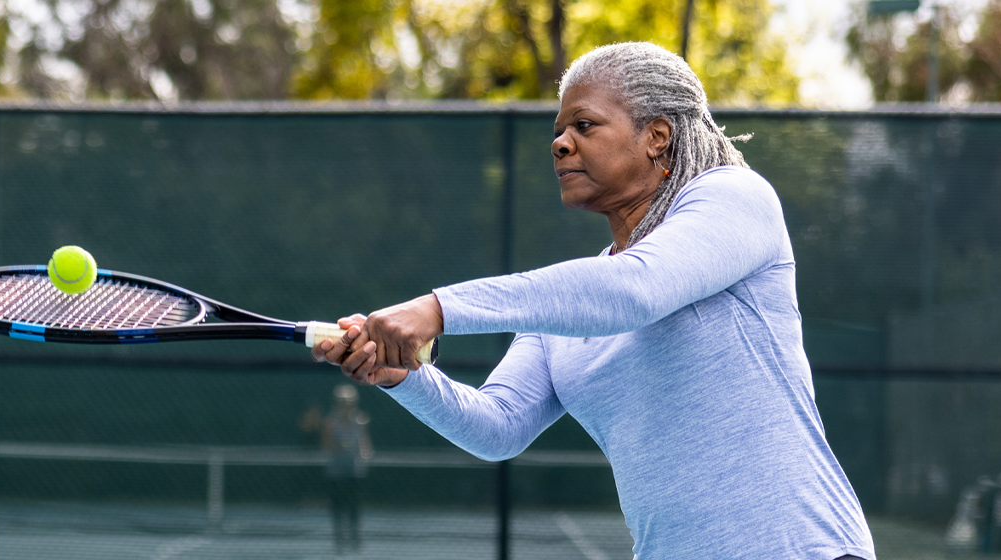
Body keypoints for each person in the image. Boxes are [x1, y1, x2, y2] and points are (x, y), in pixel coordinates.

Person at [313, 43, 875, 559]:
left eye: (584, 125)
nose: (560, 143)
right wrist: (405, 376)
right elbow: (497, 426)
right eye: (559, 131)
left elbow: (636, 290)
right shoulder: (571, 306)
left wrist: (438, 309)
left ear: (656, 136)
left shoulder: (735, 197)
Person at [317, 384, 371, 554]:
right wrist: (339, 446)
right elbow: (326, 446)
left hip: (354, 471)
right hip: (336, 472)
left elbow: (365, 444)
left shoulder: (360, 421)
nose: (345, 405)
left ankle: (355, 539)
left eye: (348, 402)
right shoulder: (330, 422)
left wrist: (364, 455)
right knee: (337, 507)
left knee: (354, 507)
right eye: (342, 402)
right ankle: (339, 540)